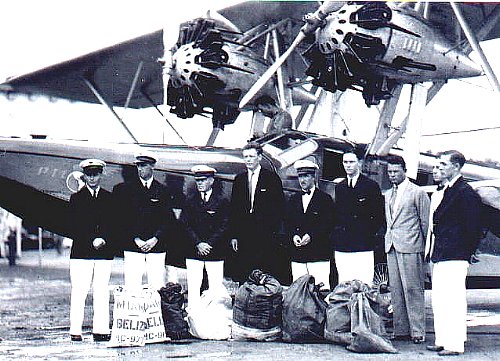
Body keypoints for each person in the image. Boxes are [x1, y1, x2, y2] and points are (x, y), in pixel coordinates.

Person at [426, 150, 482, 356]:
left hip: (455, 255)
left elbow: (473, 227)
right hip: (442, 253)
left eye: (444, 164)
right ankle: (443, 339)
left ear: (456, 167)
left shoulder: (465, 192)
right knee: (440, 299)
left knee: (453, 300)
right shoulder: (449, 190)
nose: (440, 168)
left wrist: (466, 252)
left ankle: (455, 344)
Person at [112, 151, 176, 291]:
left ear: (152, 166)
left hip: (156, 247)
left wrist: (155, 238)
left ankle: (155, 314)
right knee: (132, 286)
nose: (140, 169)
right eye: (138, 165)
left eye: (144, 165)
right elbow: (122, 219)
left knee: (157, 287)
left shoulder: (163, 190)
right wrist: (136, 238)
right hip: (133, 245)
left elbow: (167, 219)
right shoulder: (125, 190)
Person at [383, 155, 430, 344]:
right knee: (396, 290)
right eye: (389, 172)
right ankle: (400, 329)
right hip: (392, 246)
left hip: (412, 246)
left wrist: (427, 251)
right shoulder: (388, 194)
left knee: (413, 288)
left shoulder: (417, 192)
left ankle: (418, 331)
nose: (392, 175)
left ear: (405, 171)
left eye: (395, 171)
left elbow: (425, 222)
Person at [68, 159, 114, 342]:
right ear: (84, 176)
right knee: (80, 290)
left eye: (95, 174)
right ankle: (75, 330)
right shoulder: (76, 199)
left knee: (102, 290)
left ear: (101, 175)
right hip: (82, 253)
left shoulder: (109, 198)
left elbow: (114, 225)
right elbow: (73, 227)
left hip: (103, 253)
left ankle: (101, 329)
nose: (92, 178)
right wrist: (91, 240)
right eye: (89, 174)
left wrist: (103, 238)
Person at [229, 142, 287, 283]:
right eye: (246, 157)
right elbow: (234, 210)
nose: (248, 160)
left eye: (251, 156)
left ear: (259, 157)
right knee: (244, 272)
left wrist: (273, 234)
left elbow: (279, 209)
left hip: (265, 235)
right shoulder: (239, 179)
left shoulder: (271, 179)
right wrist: (234, 235)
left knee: (263, 273)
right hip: (244, 235)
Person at [180, 165, 230, 309]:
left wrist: (208, 244)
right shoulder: (190, 200)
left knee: (215, 288)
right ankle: (193, 318)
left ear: (211, 181)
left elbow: (224, 226)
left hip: (214, 252)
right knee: (194, 287)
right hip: (194, 251)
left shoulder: (221, 201)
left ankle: (213, 318)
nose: (200, 183)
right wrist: (198, 243)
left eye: (203, 180)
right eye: (197, 181)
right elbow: (185, 223)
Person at [332, 149, 384, 285]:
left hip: (363, 245)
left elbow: (378, 216)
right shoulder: (340, 187)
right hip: (343, 245)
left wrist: (366, 233)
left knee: (364, 283)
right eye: (345, 162)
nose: (348, 165)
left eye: (351, 162)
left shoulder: (371, 186)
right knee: (344, 284)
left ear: (359, 163)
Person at [285, 159, 334, 289]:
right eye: (300, 176)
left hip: (318, 256)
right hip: (298, 256)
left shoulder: (325, 199)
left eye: (306, 176)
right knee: (298, 292)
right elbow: (288, 222)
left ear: (314, 177)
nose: (302, 180)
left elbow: (328, 224)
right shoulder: (294, 199)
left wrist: (311, 236)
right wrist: (294, 235)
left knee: (320, 291)